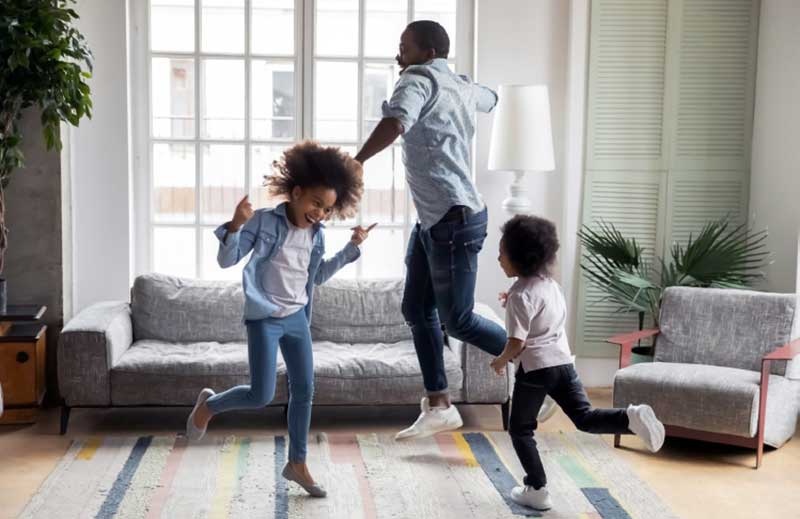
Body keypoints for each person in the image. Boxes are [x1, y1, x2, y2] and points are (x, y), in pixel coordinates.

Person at [186, 142, 374, 498]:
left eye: (327, 209)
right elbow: (228, 260)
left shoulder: (316, 235)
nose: (320, 213)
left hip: (297, 319)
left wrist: (352, 248)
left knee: (305, 390)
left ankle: (297, 462)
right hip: (265, 319)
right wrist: (237, 226)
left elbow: (316, 276)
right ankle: (208, 406)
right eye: (316, 203)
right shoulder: (264, 222)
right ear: (297, 192)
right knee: (261, 394)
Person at [354, 20, 506, 440]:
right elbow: (491, 99)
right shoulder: (456, 84)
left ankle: (539, 364)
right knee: (416, 310)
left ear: (426, 53)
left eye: (403, 47)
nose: (397, 55)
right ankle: (439, 404)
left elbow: (398, 120)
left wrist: (358, 160)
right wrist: (478, 91)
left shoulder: (417, 78)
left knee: (456, 320)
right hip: (438, 219)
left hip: (453, 219)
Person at [490, 215, 665, 511]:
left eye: (502, 252)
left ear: (520, 258)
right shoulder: (549, 285)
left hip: (535, 371)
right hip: (563, 364)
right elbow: (541, 312)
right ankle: (629, 418)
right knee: (585, 417)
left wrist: (500, 361)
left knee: (520, 429)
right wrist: (515, 297)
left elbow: (517, 342)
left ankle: (537, 488)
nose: (498, 258)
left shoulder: (521, 295)